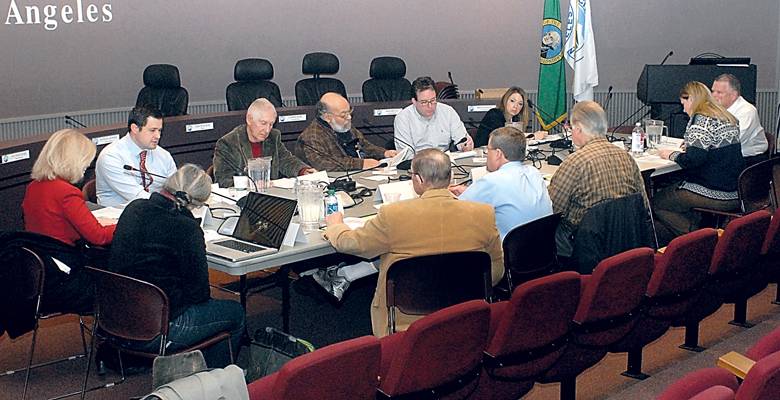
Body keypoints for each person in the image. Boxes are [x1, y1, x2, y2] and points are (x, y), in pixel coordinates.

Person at [324, 149, 503, 338]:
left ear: (418, 181)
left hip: (405, 322)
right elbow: (495, 272)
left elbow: (350, 244)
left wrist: (336, 226)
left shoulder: (393, 215)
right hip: (465, 316)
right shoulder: (484, 214)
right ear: (451, 177)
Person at [108, 164, 246, 368]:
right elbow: (199, 294)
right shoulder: (187, 228)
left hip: (113, 320)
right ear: (198, 202)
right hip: (161, 328)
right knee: (236, 313)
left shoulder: (134, 208)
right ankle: (217, 377)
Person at [547, 101, 647, 258]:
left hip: (585, 243)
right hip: (624, 239)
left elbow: (552, 210)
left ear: (578, 128)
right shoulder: (626, 157)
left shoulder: (575, 162)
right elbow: (644, 205)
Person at [654, 81, 744, 238]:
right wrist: (692, 145)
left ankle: (699, 239)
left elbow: (693, 160)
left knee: (658, 203)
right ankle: (703, 231)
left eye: (684, 103)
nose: (684, 109)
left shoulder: (700, 121)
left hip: (715, 192)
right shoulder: (726, 117)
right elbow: (713, 148)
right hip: (736, 190)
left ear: (691, 98)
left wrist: (670, 155)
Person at [450, 126, 552, 241]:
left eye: (488, 150)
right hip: (541, 251)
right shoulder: (535, 174)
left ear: (498, 153)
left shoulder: (492, 181)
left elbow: (454, 212)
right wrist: (469, 191)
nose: (487, 154)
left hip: (504, 255)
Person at [24, 129, 116, 247]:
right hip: (63, 256)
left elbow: (58, 222)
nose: (88, 165)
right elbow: (99, 237)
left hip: (39, 255)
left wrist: (94, 222)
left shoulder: (33, 186)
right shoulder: (67, 192)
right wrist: (129, 226)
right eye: (86, 159)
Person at [213, 98, 316, 187]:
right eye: (263, 123)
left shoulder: (273, 137)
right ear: (249, 119)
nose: (267, 130)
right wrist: (249, 182)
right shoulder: (228, 143)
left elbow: (286, 161)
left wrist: (304, 171)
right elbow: (223, 180)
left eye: (271, 124)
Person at [96, 105, 177, 207]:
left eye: (159, 130)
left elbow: (176, 186)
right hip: (119, 215)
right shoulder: (111, 156)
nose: (158, 136)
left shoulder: (163, 155)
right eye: (152, 130)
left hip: (154, 212)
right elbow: (137, 196)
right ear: (135, 128)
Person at [295, 92, 398, 171]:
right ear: (327, 117)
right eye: (343, 115)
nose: (349, 117)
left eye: (349, 112)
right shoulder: (311, 137)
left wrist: (384, 153)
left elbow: (364, 146)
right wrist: (361, 164)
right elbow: (322, 164)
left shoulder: (343, 126)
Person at [393, 76, 474, 160]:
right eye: (424, 102)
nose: (430, 106)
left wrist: (466, 146)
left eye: (433, 100)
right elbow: (406, 156)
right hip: (418, 165)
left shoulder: (448, 112)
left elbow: (462, 139)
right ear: (414, 101)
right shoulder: (403, 119)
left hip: (444, 162)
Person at [711, 74, 768, 167]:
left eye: (719, 92)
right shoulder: (717, 109)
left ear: (733, 95)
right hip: (728, 157)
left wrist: (703, 143)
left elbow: (733, 140)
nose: (714, 96)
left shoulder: (747, 111)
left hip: (750, 162)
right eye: (713, 91)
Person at [474, 87, 548, 147]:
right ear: (505, 100)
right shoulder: (494, 114)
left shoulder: (515, 119)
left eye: (520, 104)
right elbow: (504, 138)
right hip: (483, 153)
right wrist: (533, 136)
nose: (515, 106)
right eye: (512, 101)